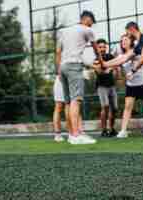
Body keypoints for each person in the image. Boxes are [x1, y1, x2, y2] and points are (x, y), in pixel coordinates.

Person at [56, 10, 101, 144]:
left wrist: (58, 70)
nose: (91, 26)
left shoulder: (64, 31)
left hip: (63, 67)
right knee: (76, 100)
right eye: (91, 23)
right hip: (74, 67)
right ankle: (76, 135)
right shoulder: (87, 30)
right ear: (87, 19)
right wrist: (102, 62)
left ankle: (71, 134)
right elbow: (96, 49)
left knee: (69, 102)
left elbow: (58, 51)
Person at [116, 34, 143, 138]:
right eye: (122, 41)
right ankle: (123, 130)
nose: (123, 42)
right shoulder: (120, 57)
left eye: (126, 39)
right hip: (131, 85)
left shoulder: (138, 51)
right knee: (127, 107)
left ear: (131, 41)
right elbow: (117, 67)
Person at [94, 39, 119, 137]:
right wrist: (107, 69)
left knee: (115, 108)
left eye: (104, 47)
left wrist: (112, 68)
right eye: (100, 47)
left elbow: (116, 65)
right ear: (97, 48)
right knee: (105, 106)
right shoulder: (96, 59)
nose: (102, 49)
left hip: (111, 85)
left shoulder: (110, 56)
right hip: (101, 87)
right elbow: (99, 71)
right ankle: (104, 130)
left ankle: (111, 129)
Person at [53, 71, 84, 142]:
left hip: (72, 79)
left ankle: (74, 133)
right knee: (59, 106)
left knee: (74, 105)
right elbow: (59, 68)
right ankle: (58, 134)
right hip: (61, 79)